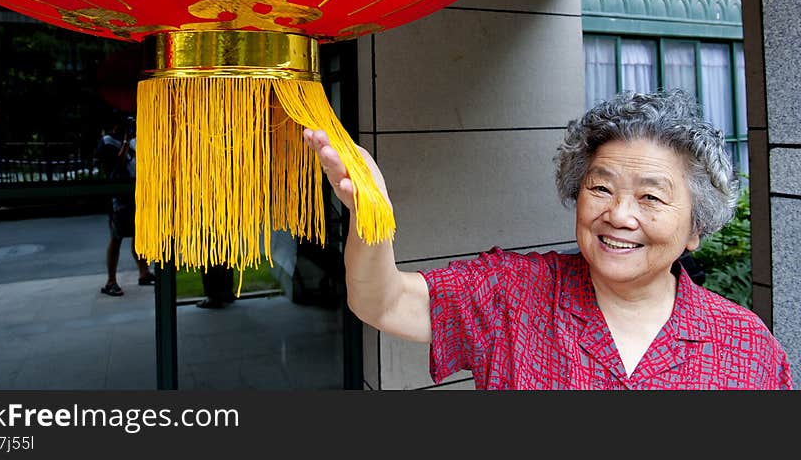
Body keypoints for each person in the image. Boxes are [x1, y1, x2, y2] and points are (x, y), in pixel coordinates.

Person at [303, 89, 793, 390]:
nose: (618, 214)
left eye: (650, 198)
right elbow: (382, 302)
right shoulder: (509, 293)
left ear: (695, 229)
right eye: (600, 188)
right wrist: (371, 212)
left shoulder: (745, 346)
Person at [95, 115, 155, 296]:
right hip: (118, 199)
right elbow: (116, 164)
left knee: (139, 236)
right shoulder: (108, 142)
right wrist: (127, 141)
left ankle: (143, 272)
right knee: (116, 238)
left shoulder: (131, 141)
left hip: (135, 196)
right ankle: (111, 281)